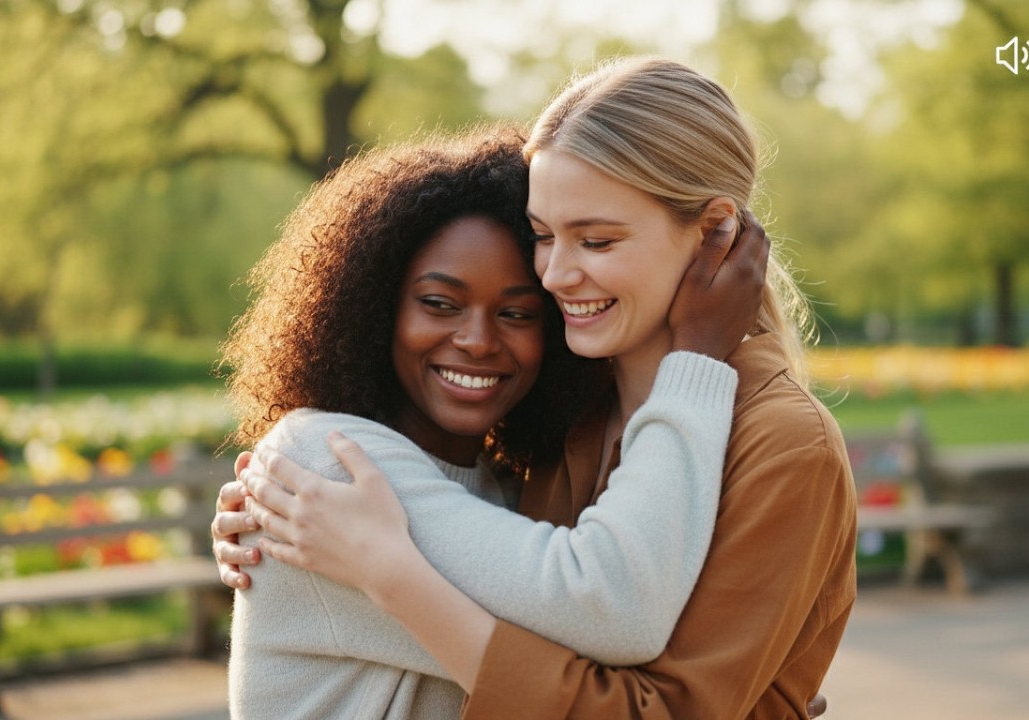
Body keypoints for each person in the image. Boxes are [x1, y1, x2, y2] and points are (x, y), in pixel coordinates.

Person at [222, 56, 855, 718]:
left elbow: (636, 672)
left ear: (714, 234)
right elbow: (569, 632)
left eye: (597, 240)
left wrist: (391, 575)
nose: (555, 274)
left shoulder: (784, 444)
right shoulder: (566, 420)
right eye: (545, 236)